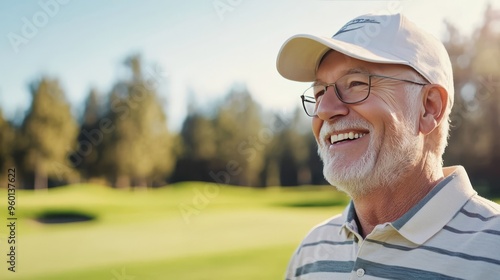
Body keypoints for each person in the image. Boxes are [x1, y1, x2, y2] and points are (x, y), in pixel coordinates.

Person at [276, 12, 500, 279]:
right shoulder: (310, 254)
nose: (324, 110)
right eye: (320, 92)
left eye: (356, 84)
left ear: (429, 108)